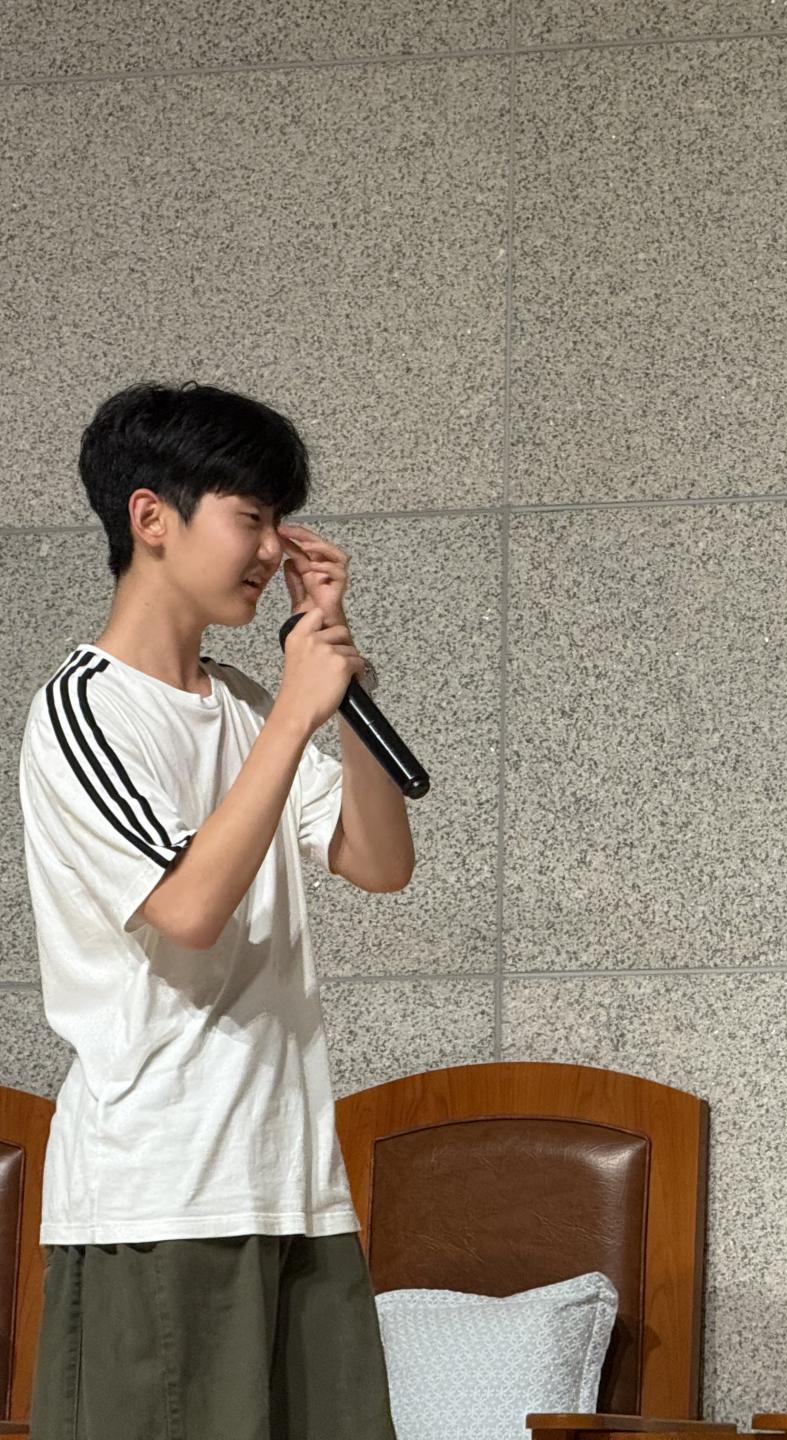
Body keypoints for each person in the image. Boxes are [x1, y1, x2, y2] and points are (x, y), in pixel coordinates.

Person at [17, 382, 413, 1439]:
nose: (273, 549)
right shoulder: (84, 710)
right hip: (164, 1193)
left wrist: (342, 683)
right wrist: (292, 715)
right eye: (252, 516)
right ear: (153, 517)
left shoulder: (241, 702)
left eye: (281, 522)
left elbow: (380, 862)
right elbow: (187, 908)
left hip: (293, 1184)